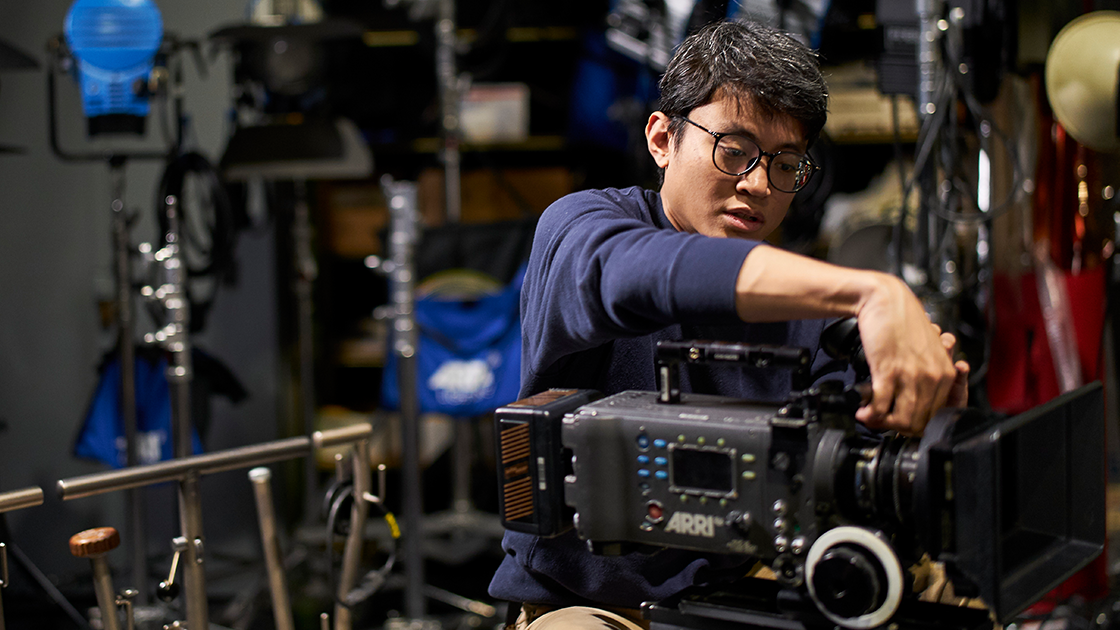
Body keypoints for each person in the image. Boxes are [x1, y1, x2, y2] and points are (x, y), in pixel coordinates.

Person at [488, 18, 970, 630]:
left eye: (786, 164)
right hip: (594, 606)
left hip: (746, 595)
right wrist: (873, 291)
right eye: (734, 151)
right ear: (662, 139)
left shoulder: (806, 306)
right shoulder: (583, 230)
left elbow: (846, 477)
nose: (759, 184)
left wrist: (917, 420)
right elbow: (638, 273)